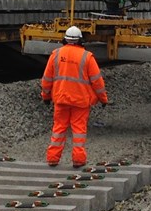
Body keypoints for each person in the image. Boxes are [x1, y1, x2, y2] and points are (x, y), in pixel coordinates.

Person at [41, 26, 108, 168]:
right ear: (80, 40)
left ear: (65, 39)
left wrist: (46, 96)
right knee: (79, 131)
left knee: (59, 128)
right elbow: (97, 82)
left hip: (61, 99)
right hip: (80, 101)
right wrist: (103, 99)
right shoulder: (87, 57)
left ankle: (53, 158)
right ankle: (78, 160)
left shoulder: (56, 54)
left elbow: (47, 79)